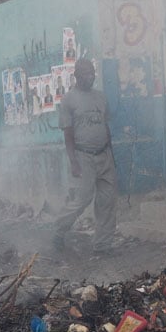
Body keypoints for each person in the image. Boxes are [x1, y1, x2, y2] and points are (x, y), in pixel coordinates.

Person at [54, 58, 117, 253]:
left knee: (107, 201)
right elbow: (68, 133)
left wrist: (111, 155)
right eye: (86, 74)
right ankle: (59, 229)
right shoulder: (69, 100)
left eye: (92, 73)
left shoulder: (100, 97)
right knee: (81, 200)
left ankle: (103, 244)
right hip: (83, 156)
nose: (90, 77)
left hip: (104, 155)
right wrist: (73, 162)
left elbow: (105, 125)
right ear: (76, 76)